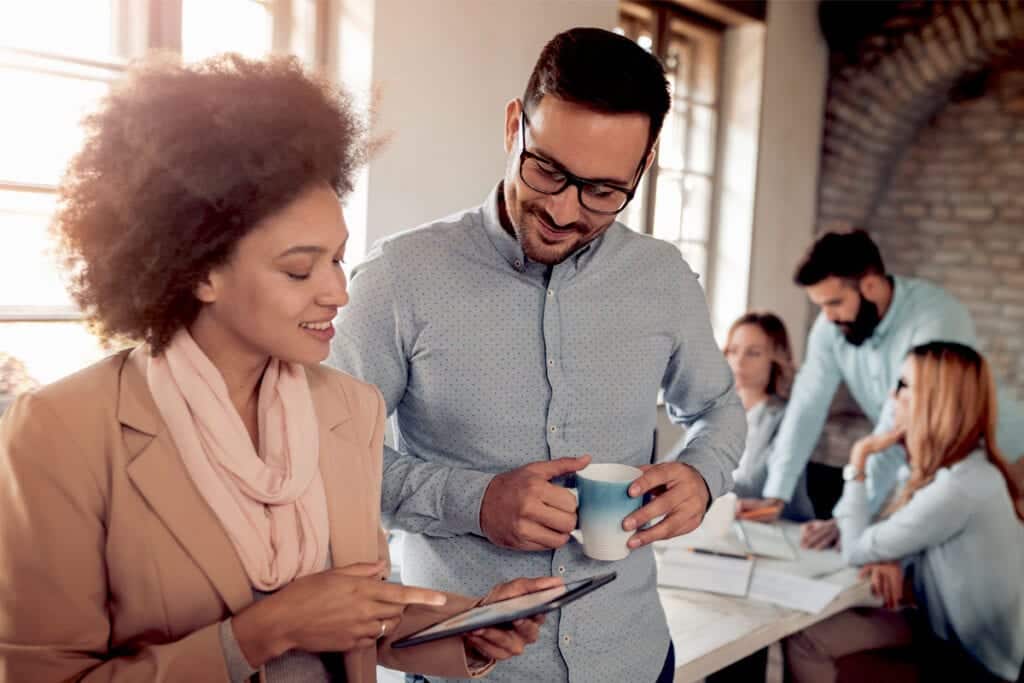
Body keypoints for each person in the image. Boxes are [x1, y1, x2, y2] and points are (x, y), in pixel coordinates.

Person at [0, 55, 555, 682]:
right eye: (299, 269)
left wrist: (471, 627)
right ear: (199, 271)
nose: (337, 293)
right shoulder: (62, 431)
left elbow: (359, 622)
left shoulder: (349, 409)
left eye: (339, 260)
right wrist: (263, 633)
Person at [329, 27, 745, 683]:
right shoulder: (397, 278)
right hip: (467, 670)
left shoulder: (664, 280)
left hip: (635, 660)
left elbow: (718, 407)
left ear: (644, 168)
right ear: (513, 125)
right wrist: (476, 501)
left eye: (603, 191)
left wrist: (702, 474)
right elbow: (327, 460)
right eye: (546, 169)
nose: (560, 209)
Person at [747, 229, 1024, 548]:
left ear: (871, 285)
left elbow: (896, 422)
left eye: (835, 302)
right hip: (933, 457)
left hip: (1005, 454)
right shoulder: (832, 326)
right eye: (821, 305)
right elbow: (806, 407)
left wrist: (845, 518)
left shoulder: (935, 316)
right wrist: (775, 495)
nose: (828, 316)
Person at [785, 342, 1024, 682]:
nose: (891, 396)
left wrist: (858, 459)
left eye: (903, 385)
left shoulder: (960, 485)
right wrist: (889, 555)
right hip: (938, 629)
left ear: (934, 400)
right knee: (810, 634)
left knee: (809, 638)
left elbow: (856, 549)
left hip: (975, 663)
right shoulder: (954, 470)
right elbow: (891, 533)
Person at [724, 312, 814, 522]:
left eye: (753, 353)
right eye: (733, 351)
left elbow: (755, 489)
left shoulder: (788, 419)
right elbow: (677, 464)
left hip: (782, 530)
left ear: (776, 359)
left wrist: (697, 486)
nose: (739, 361)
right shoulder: (717, 411)